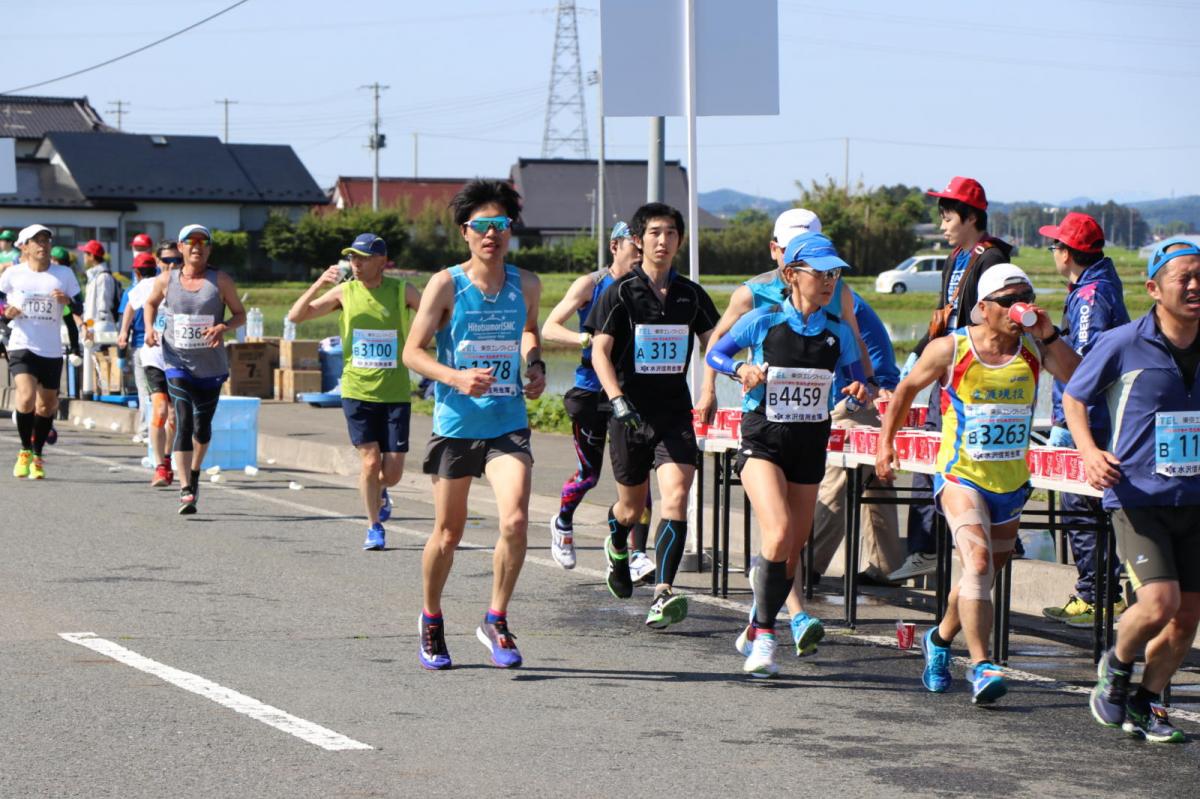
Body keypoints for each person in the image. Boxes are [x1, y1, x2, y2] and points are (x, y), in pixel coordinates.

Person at [877, 264, 1078, 705]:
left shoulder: (1032, 346)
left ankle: (940, 639)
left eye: (1025, 296)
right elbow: (905, 389)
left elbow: (1079, 379)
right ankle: (983, 665)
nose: (1019, 306)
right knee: (980, 562)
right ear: (983, 308)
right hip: (960, 477)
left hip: (1010, 484)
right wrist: (885, 446)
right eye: (1008, 300)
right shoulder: (952, 347)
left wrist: (1048, 335)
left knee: (980, 575)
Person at [707, 232, 870, 676]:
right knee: (777, 533)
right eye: (820, 272)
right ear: (791, 275)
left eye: (834, 273)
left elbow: (861, 379)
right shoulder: (762, 321)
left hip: (809, 443)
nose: (829, 281)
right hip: (763, 439)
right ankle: (765, 639)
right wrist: (741, 367)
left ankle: (753, 625)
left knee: (792, 549)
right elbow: (715, 353)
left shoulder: (837, 333)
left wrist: (860, 389)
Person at [402, 180, 545, 670]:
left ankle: (496, 618)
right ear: (465, 232)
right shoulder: (446, 284)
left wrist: (535, 364)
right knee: (448, 533)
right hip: (458, 421)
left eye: (500, 225)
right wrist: (456, 378)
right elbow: (412, 352)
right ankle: (432, 617)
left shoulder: (526, 284)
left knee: (516, 520)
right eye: (482, 226)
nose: (492, 234)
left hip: (507, 419)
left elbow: (529, 330)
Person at [1067, 238, 1200, 743]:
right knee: (1160, 602)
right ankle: (1117, 666)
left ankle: (1144, 703)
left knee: (1186, 618)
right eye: (1182, 277)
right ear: (1153, 287)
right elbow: (1076, 397)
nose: (1193, 286)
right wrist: (1088, 451)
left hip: (1195, 498)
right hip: (1138, 495)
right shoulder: (1122, 342)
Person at [586, 202, 720, 629]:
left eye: (672, 233)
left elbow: (713, 343)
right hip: (629, 415)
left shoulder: (691, 294)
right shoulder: (620, 292)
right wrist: (617, 398)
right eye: (655, 233)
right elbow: (599, 351)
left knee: (677, 498)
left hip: (674, 412)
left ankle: (662, 592)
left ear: (680, 240)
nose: (663, 241)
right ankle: (616, 542)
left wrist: (709, 387)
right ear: (639, 240)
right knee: (631, 509)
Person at [890, 176, 1015, 583]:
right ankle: (925, 546)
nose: (943, 226)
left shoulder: (991, 260)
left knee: (963, 459)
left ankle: (972, 539)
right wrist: (915, 357)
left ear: (971, 217)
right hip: (945, 368)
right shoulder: (954, 259)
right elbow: (943, 317)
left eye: (948, 218)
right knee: (929, 453)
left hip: (974, 378)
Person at [287, 232, 421, 551]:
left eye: (361, 258)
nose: (355, 263)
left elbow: (441, 314)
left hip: (395, 392)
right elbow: (296, 316)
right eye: (351, 257)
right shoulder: (344, 292)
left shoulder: (402, 290)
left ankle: (380, 491)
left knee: (393, 472)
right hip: (357, 390)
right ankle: (374, 526)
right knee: (370, 463)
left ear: (381, 262)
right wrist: (321, 283)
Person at [541, 221, 653, 576]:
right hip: (591, 392)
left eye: (642, 248)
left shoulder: (646, 287)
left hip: (630, 392)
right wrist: (585, 340)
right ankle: (562, 523)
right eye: (634, 248)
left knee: (639, 479)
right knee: (589, 474)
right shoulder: (591, 284)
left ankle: (635, 553)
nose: (640, 255)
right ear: (615, 246)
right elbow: (549, 327)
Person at [1036, 213, 1130, 628]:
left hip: (1089, 418)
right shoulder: (1094, 285)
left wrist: (1048, 342)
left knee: (1082, 507)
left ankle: (1096, 596)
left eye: (1056, 246)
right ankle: (1101, 591)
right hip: (1089, 416)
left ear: (1069, 252)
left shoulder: (1091, 294)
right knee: (1089, 508)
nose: (1053, 252)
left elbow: (1086, 364)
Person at [143, 224, 246, 515]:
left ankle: (196, 471)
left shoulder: (220, 281)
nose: (197, 247)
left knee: (202, 428)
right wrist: (150, 328)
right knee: (183, 418)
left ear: (209, 249)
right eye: (191, 242)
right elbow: (150, 304)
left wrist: (223, 326)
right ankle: (185, 487)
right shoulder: (166, 279)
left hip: (211, 366)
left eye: (203, 242)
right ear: (181, 247)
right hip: (176, 361)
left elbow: (240, 314)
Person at [810, 288, 904, 586]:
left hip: (859, 394)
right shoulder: (839, 291)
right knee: (876, 478)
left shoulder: (832, 297)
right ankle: (886, 565)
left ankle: (805, 565)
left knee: (838, 479)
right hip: (881, 394)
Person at [0, 225, 82, 479]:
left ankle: (37, 453)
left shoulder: (64, 274)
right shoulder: (13, 274)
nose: (43, 245)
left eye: (46, 240)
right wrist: (5, 313)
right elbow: (0, 302)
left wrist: (68, 302)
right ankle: (24, 451)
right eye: (36, 241)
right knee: (25, 397)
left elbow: (79, 306)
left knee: (47, 406)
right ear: (23, 246)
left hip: (51, 349)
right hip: (22, 344)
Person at [119, 248, 178, 486]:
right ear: (157, 261)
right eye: (166, 260)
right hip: (153, 356)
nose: (171, 265)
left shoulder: (188, 284)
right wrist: (124, 331)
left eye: (176, 260)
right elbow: (132, 305)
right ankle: (160, 466)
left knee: (174, 416)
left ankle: (167, 457)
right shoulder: (149, 284)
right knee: (161, 410)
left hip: (180, 357)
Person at [79, 239, 121, 335]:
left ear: (92, 256)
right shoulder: (94, 276)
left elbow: (104, 304)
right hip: (93, 325)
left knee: (101, 350)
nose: (83, 256)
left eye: (85, 253)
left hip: (100, 326)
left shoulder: (103, 277)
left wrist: (98, 326)